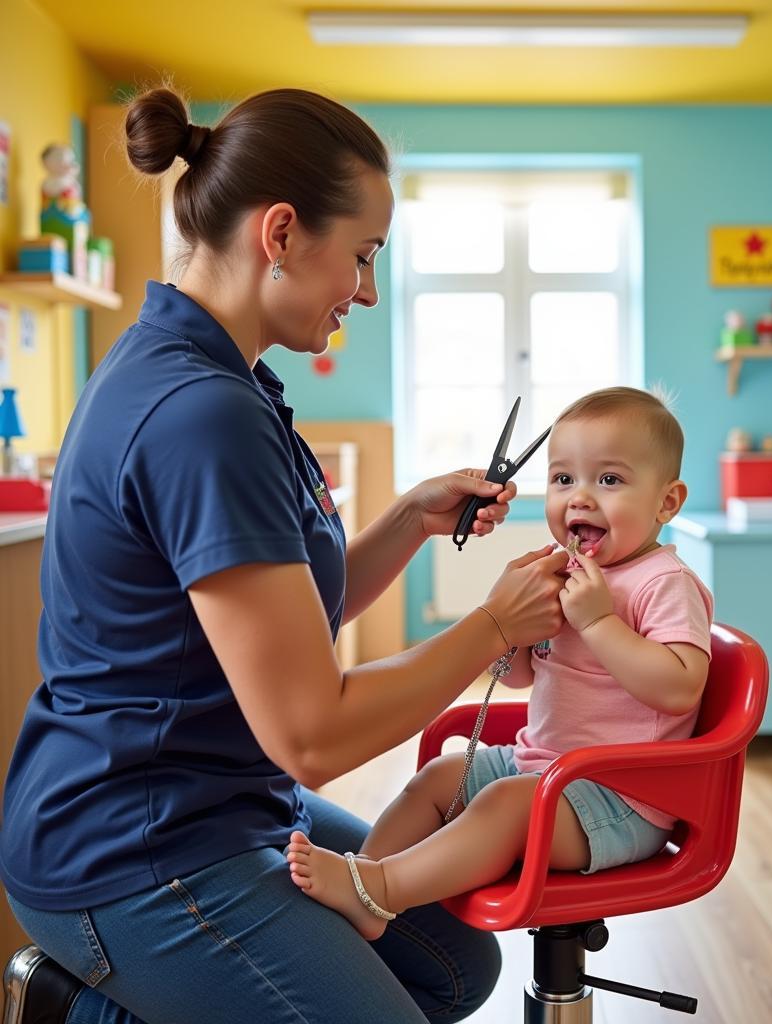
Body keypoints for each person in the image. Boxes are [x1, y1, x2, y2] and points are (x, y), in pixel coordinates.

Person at [0, 85, 570, 1024]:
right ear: (280, 234)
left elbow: (286, 624)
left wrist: (410, 520)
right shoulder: (203, 415)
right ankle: (80, 1004)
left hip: (218, 801)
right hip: (135, 844)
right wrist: (491, 629)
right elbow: (313, 734)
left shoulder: (230, 379)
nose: (369, 291)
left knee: (455, 965)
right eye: (362, 256)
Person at [284, 387, 714, 940]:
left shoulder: (664, 583)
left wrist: (598, 625)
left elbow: (680, 688)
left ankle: (382, 889)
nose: (579, 498)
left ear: (667, 503)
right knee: (442, 776)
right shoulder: (569, 577)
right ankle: (361, 883)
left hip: (622, 802)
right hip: (545, 767)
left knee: (508, 805)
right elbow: (520, 677)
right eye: (563, 479)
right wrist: (512, 628)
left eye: (609, 480)